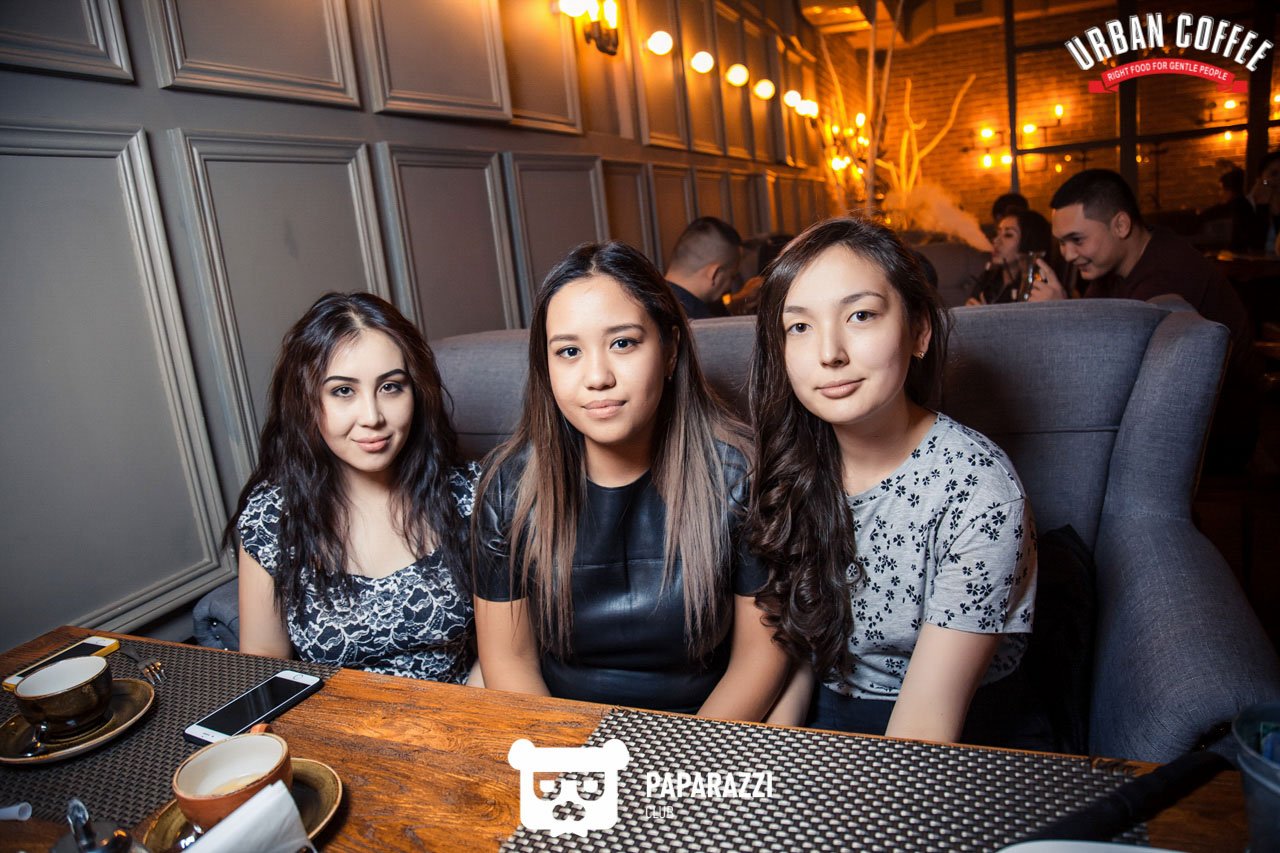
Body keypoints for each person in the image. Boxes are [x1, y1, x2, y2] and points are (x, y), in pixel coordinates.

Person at [747, 217, 1039, 744]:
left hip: (950, 728)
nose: (829, 353)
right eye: (800, 327)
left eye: (860, 315)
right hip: (827, 707)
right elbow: (800, 645)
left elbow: (927, 723)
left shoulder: (978, 490)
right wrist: (777, 751)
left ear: (919, 331)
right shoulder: (791, 460)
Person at [473, 241, 789, 719]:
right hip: (560, 731)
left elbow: (757, 660)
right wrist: (566, 756)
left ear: (670, 350)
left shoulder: (741, 476)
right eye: (569, 351)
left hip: (703, 730)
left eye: (623, 343)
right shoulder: (509, 485)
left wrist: (685, 760)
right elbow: (509, 661)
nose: (597, 377)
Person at [229, 292, 479, 683]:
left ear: (417, 392)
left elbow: (504, 655)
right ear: (306, 401)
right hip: (329, 718)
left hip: (461, 710)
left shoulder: (472, 496)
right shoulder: (272, 517)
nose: (372, 417)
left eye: (391, 387)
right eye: (343, 391)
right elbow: (264, 666)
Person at [965, 208, 1062, 305]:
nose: (996, 241)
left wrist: (988, 313)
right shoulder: (988, 279)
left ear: (1028, 242)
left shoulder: (1037, 285)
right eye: (997, 234)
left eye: (1008, 235)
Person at [664, 216, 743, 319]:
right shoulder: (702, 322)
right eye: (732, 277)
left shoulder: (647, 303)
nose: (729, 287)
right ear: (714, 274)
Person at [1246, 149, 1280, 253]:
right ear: (1261, 177)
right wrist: (1262, 207)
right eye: (1274, 174)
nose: (1279, 179)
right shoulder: (1246, 205)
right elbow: (1254, 245)